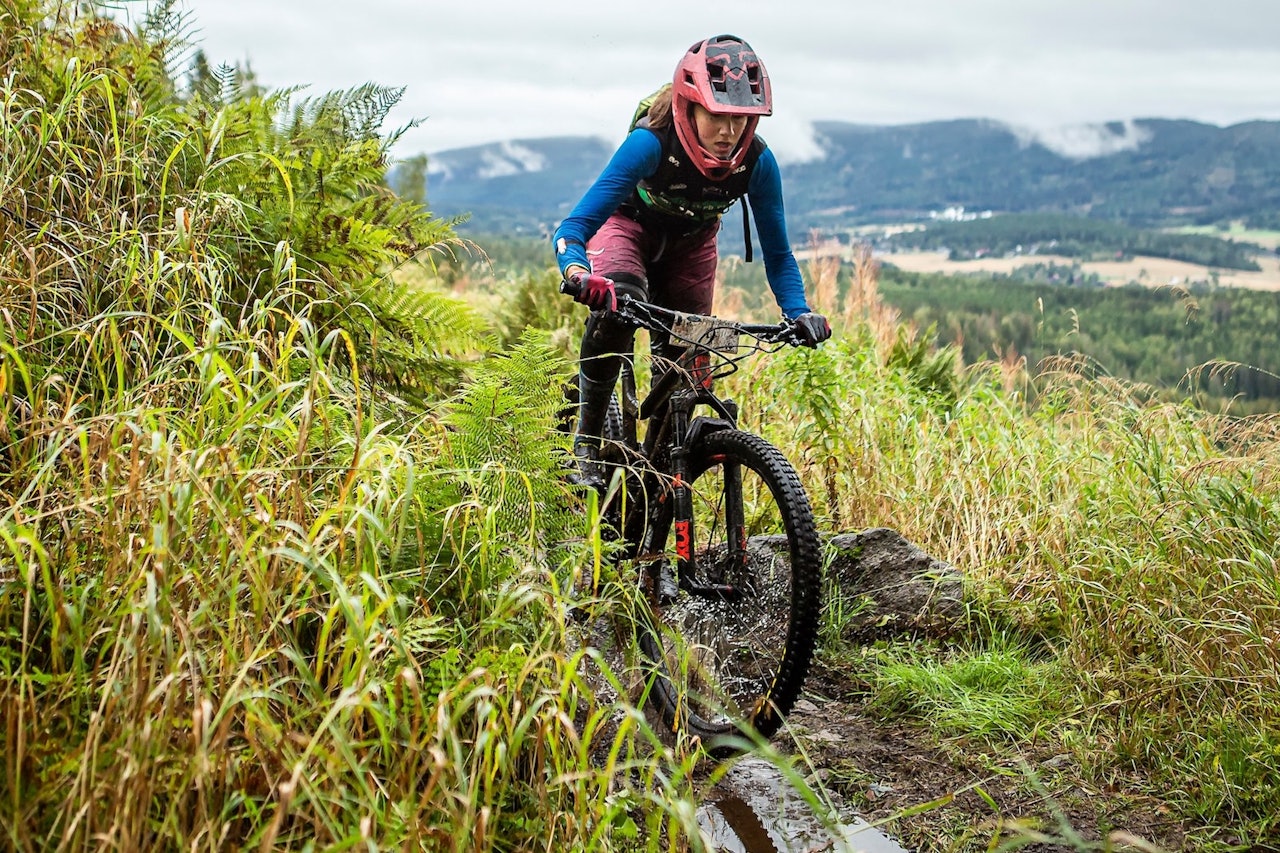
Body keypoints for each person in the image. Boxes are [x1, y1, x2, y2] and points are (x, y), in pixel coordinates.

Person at [553, 34, 832, 487]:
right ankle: (585, 444)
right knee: (620, 306)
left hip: (692, 244)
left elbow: (778, 255)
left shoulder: (758, 164)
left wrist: (799, 311)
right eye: (717, 117)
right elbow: (573, 228)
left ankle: (659, 482)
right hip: (629, 229)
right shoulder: (650, 143)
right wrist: (579, 272)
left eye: (742, 119)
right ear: (689, 107)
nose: (729, 132)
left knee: (688, 365)